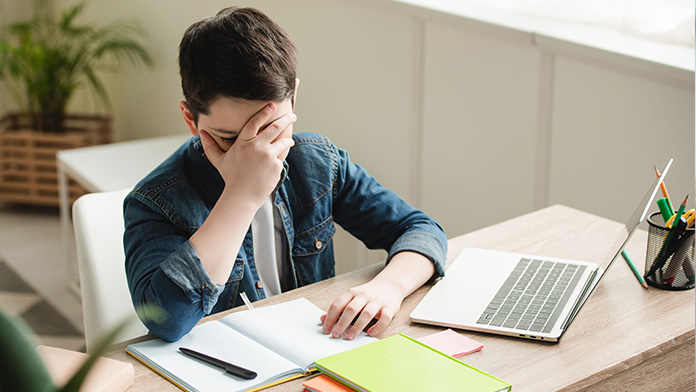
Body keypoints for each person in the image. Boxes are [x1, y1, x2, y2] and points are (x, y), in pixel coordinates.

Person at [123, 6, 447, 342]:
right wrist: (241, 195)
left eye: (271, 130)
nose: (256, 152)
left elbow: (421, 231)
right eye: (231, 139)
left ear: (293, 95)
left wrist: (388, 288)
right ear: (191, 119)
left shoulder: (318, 162)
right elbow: (167, 319)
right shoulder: (155, 201)